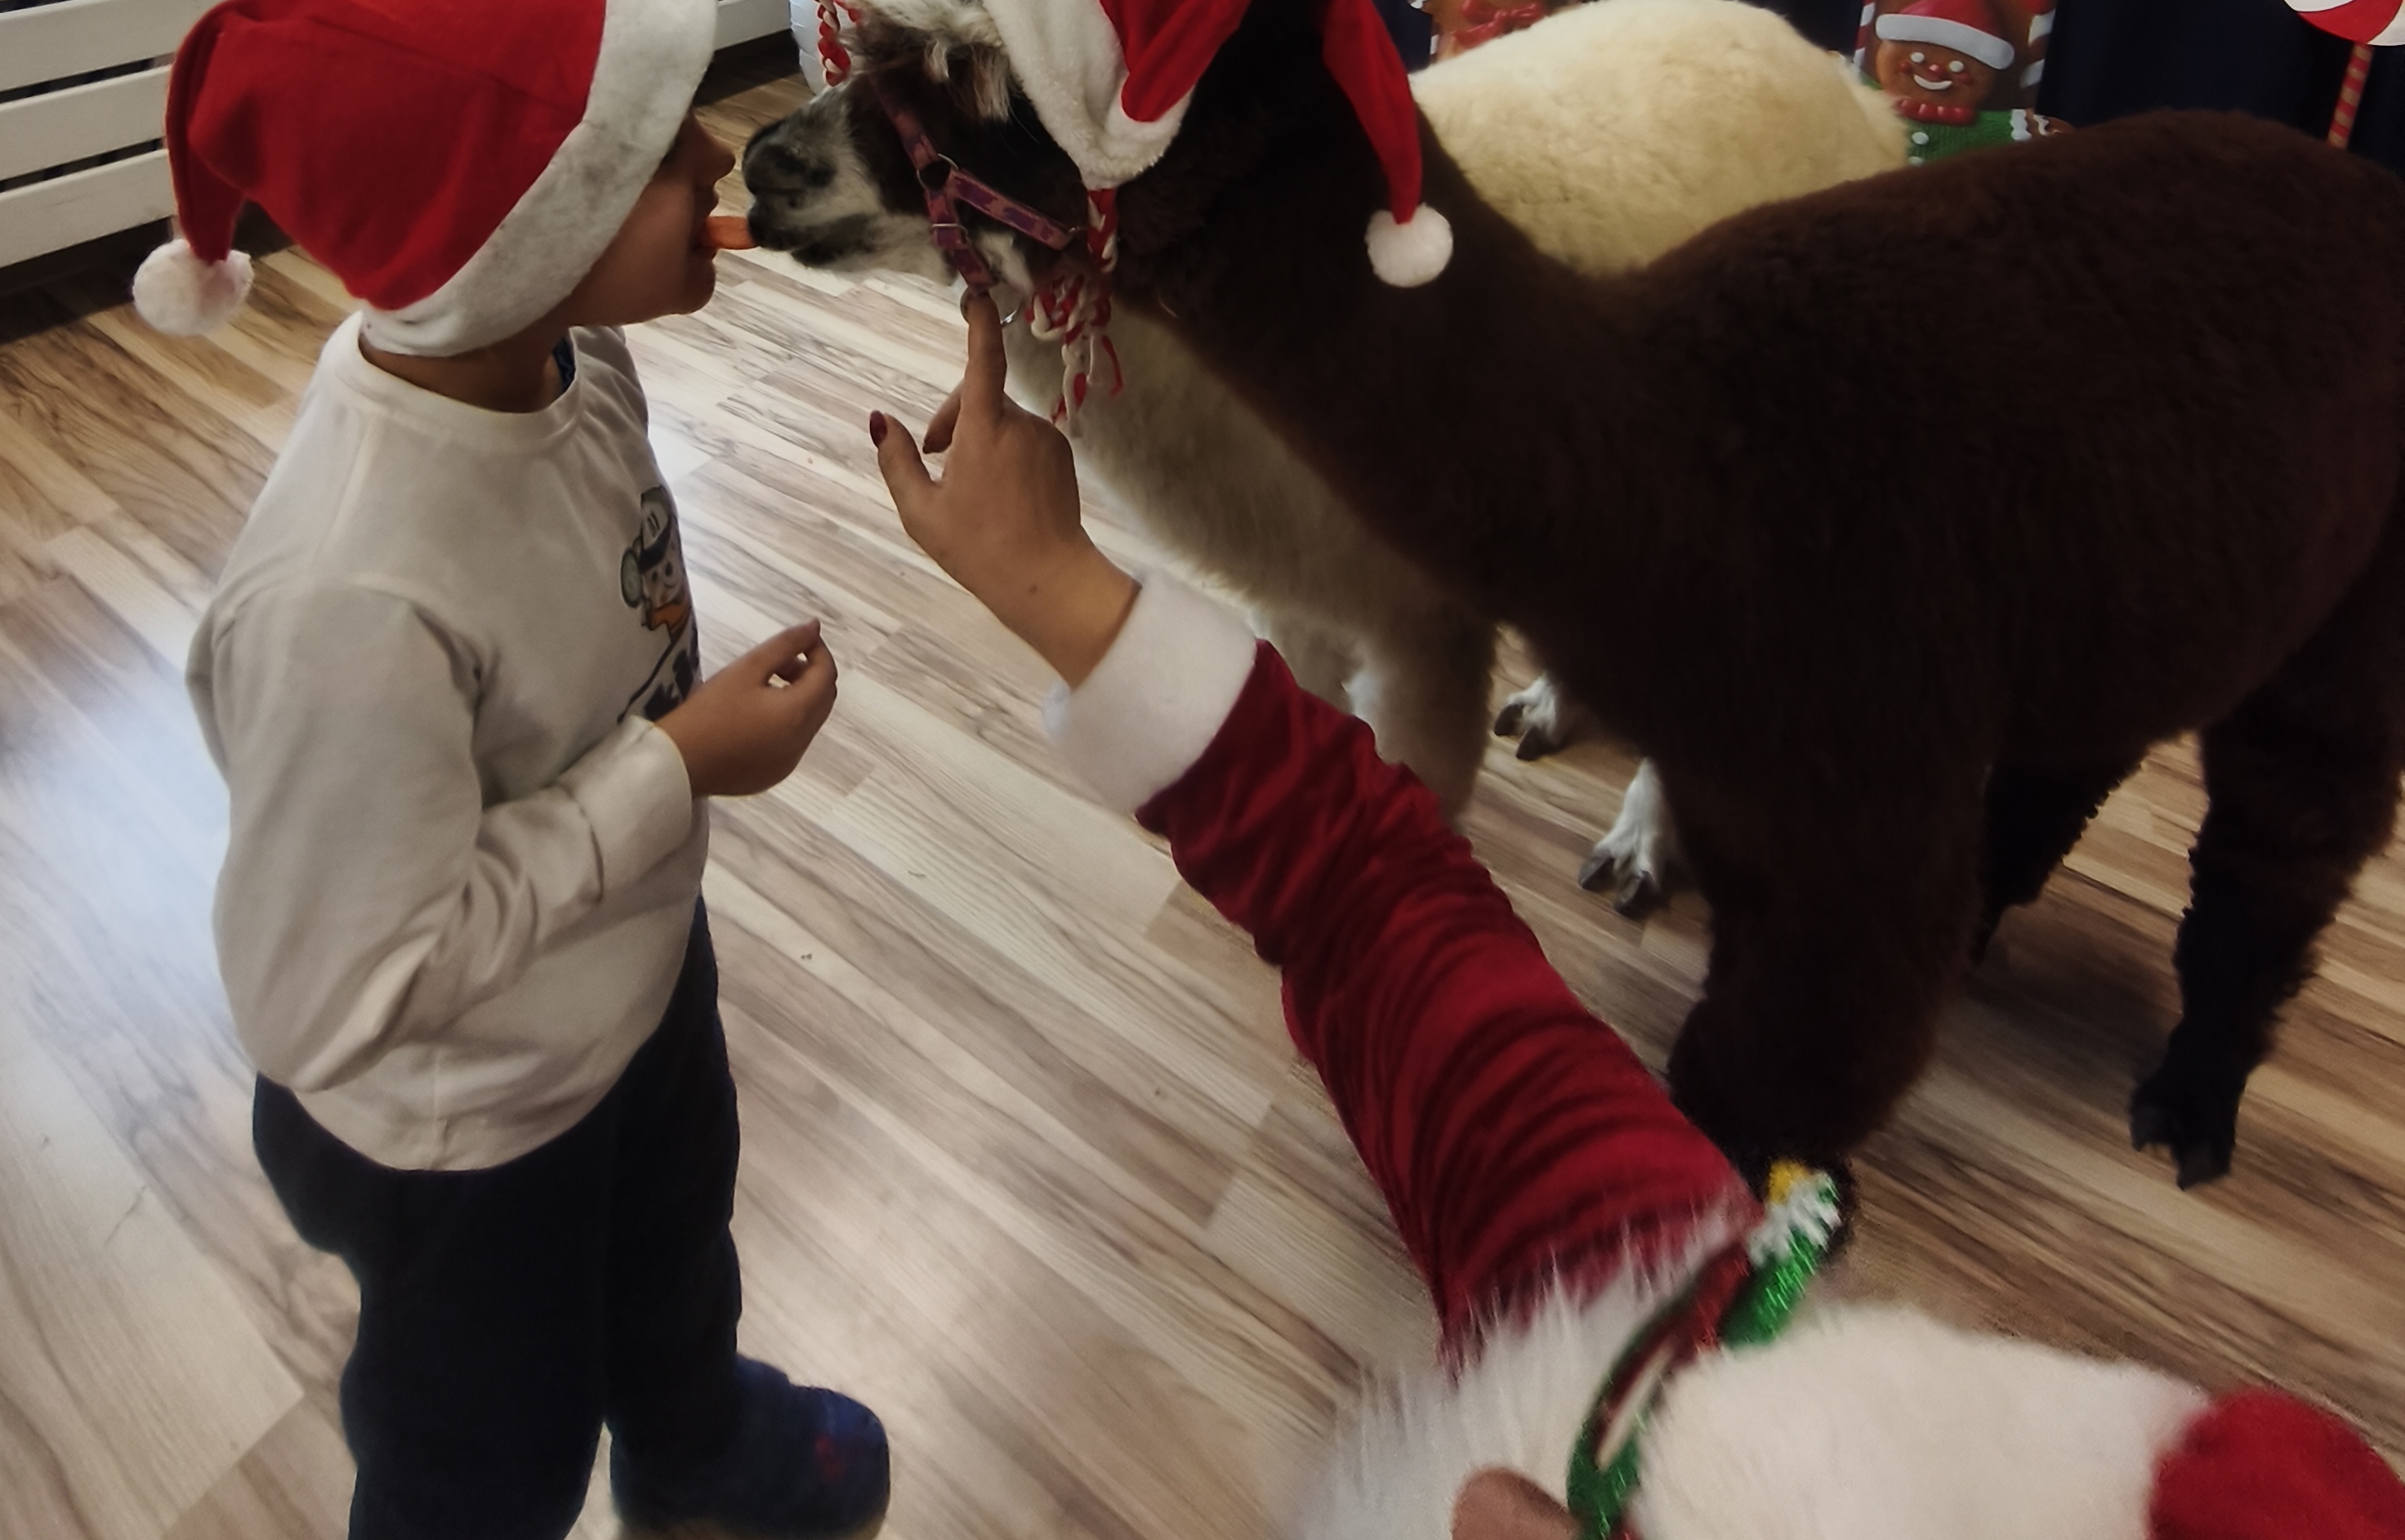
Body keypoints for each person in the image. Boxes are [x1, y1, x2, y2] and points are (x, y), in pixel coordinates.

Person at [871, 295, 2405, 1540]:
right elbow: (1384, 922)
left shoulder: (1644, 1346)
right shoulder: (1658, 1335)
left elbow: (1375, 907)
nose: (1486, 1511)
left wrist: (1066, 595)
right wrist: (1061, 587)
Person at [136, 0, 887, 1540]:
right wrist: (677, 765)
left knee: (676, 1260)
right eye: (655, 151)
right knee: (486, 1453)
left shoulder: (566, 351)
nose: (717, 160)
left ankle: (697, 1456)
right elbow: (335, 987)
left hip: (629, 979)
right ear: (514, 236)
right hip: (465, 1134)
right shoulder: (346, 594)